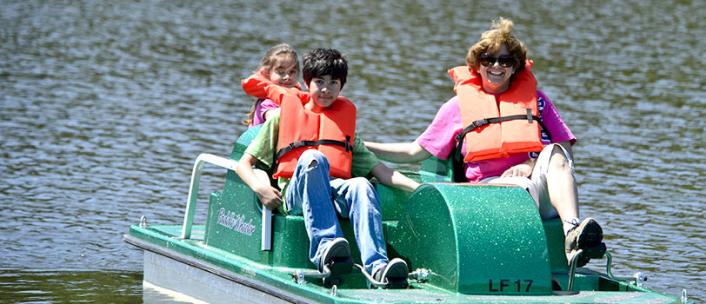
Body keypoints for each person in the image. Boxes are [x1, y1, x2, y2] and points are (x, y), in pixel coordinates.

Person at [365, 18, 606, 267]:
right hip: (488, 193)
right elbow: (414, 151)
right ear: (476, 65)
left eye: (505, 60)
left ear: (515, 67)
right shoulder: (456, 108)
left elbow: (566, 153)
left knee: (556, 153)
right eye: (488, 59)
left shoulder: (537, 101)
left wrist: (530, 163)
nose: (496, 66)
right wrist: (362, 145)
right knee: (520, 186)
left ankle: (572, 234)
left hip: (538, 188)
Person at [235, 48, 420, 285]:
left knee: (361, 185)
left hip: (334, 192)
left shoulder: (344, 127)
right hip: (296, 196)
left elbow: (381, 171)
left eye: (333, 83)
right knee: (314, 158)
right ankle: (326, 250)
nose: (326, 89)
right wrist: (260, 188)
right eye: (319, 82)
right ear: (306, 83)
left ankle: (378, 267)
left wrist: (420, 189)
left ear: (341, 86)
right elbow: (244, 164)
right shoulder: (282, 117)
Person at [242, 43, 301, 127]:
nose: (287, 77)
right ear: (267, 74)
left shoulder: (297, 97)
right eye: (281, 72)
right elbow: (273, 117)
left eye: (292, 72)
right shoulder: (268, 102)